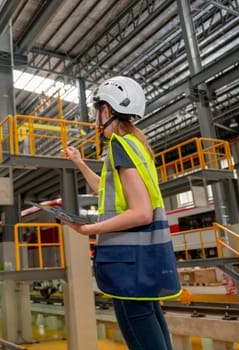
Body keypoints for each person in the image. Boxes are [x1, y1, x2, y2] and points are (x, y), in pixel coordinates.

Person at [63, 76, 181, 350]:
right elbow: (105, 189)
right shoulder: (136, 145)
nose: (95, 121)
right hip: (145, 260)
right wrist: (79, 163)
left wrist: (88, 229)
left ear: (107, 110)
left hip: (128, 263)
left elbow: (141, 213)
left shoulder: (119, 146)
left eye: (97, 112)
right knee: (154, 325)